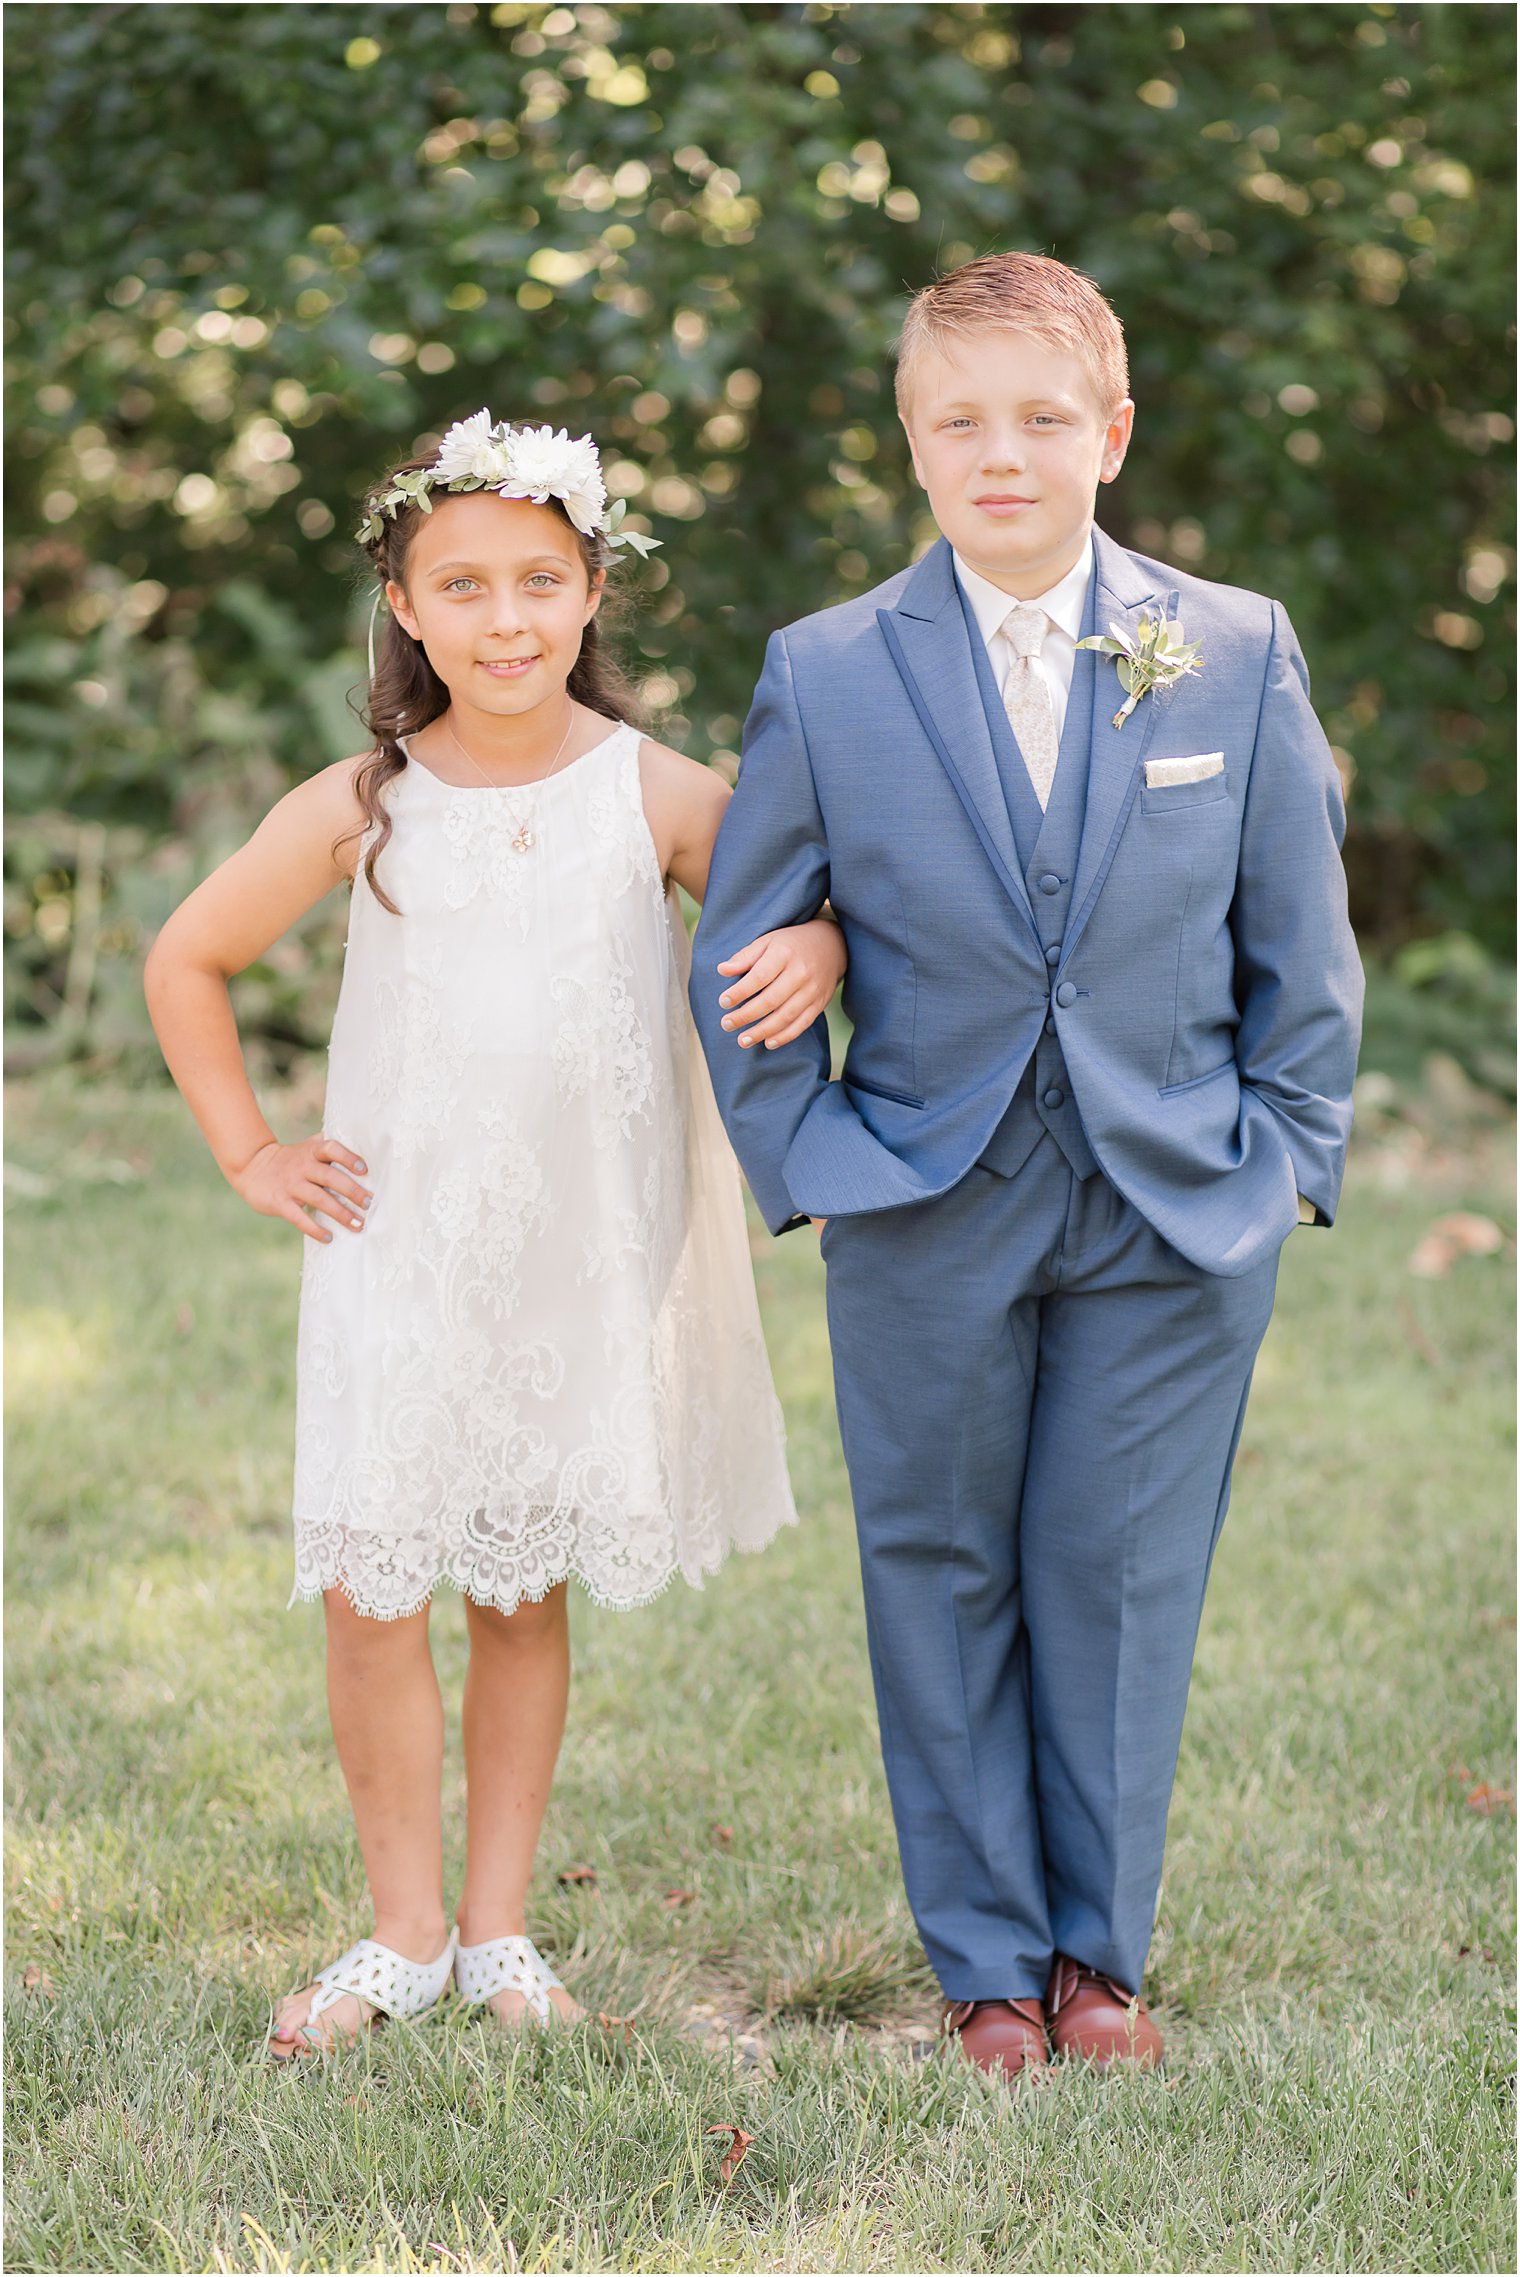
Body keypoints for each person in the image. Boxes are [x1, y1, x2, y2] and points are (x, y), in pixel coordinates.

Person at [692, 254, 1363, 2079]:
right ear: (911, 441)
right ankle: (984, 1965)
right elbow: (743, 945)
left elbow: (1300, 943)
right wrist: (817, 1158)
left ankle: (1099, 1961)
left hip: (1173, 1202)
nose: (1003, 454)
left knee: (1117, 1569)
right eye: (960, 420)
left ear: (1111, 433)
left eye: (1041, 418)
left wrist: (1284, 1159)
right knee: (941, 1564)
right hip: (926, 1190)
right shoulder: (826, 672)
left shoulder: (1232, 646)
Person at [145, 412, 845, 2056]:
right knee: (373, 1586)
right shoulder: (363, 801)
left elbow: (821, 904)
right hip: (400, 1246)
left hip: (578, 1255)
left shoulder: (657, 794)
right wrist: (250, 1150)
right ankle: (397, 1932)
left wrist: (812, 944)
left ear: (595, 590)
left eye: (541, 579)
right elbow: (189, 957)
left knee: (522, 1587)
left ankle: (498, 1929)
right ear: (403, 599)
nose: (507, 618)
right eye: (463, 585)